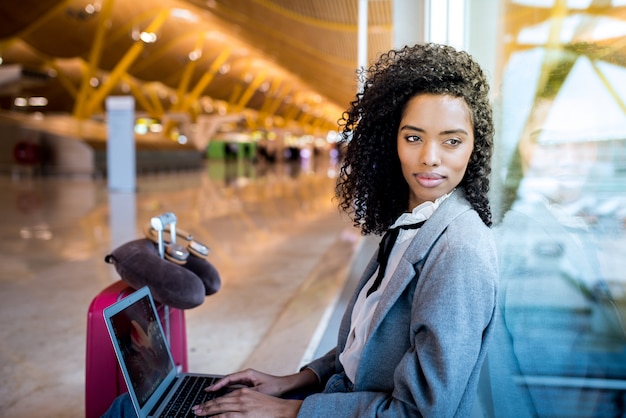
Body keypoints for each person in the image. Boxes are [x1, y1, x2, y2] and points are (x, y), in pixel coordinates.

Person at [105, 42, 499, 417]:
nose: (429, 158)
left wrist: (289, 410)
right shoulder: (414, 224)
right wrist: (295, 381)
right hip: (333, 400)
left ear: (474, 146)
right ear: (389, 140)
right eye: (413, 137)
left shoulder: (459, 251)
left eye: (451, 141)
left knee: (129, 411)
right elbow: (364, 348)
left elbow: (421, 413)